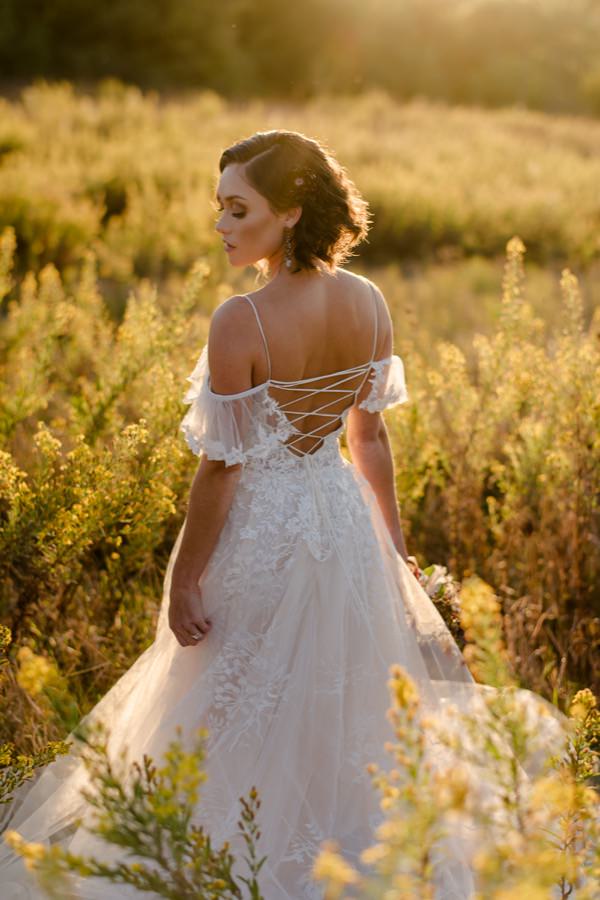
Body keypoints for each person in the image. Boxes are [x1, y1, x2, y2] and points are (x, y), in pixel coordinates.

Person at [0, 130, 566, 899]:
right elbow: (369, 441)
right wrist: (391, 548)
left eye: (239, 209)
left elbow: (223, 468)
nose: (221, 226)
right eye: (220, 208)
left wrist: (186, 577)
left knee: (225, 705)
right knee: (336, 703)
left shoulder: (243, 320)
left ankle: (225, 863)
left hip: (263, 532)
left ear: (292, 213)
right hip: (339, 525)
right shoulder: (369, 302)